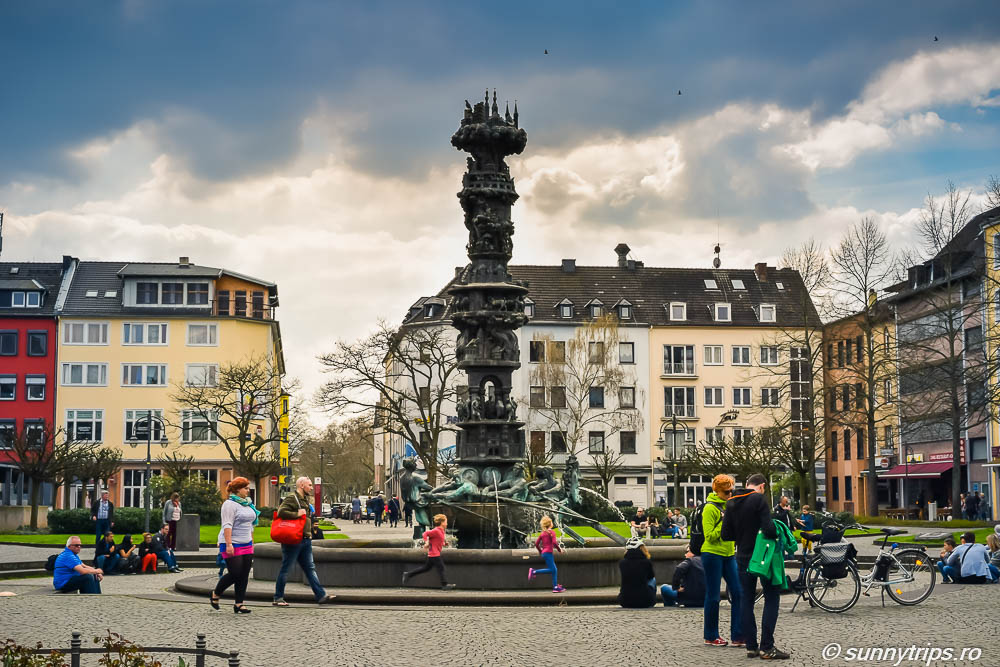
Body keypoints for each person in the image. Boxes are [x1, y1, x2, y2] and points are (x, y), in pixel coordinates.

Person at [723, 473, 786, 659]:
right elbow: (768, 528)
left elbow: (726, 535)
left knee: (746, 601)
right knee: (772, 596)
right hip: (763, 557)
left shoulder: (732, 502)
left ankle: (751, 646)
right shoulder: (759, 499)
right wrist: (777, 531)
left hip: (742, 557)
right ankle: (767, 646)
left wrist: (743, 536)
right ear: (762, 486)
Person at [273, 477, 337, 607]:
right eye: (309, 485)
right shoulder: (292, 498)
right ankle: (278, 597)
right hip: (294, 539)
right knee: (286, 568)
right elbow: (281, 512)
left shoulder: (305, 500)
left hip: (305, 539)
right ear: (302, 485)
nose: (312, 488)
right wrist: (297, 513)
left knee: (309, 568)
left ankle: (321, 595)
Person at [701, 474, 742, 648]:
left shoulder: (730, 506)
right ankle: (710, 635)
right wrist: (724, 521)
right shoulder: (709, 508)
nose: (730, 494)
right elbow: (709, 536)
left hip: (728, 554)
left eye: (731, 491)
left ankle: (738, 635)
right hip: (712, 554)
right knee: (713, 596)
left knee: (738, 593)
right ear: (717, 491)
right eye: (726, 492)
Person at [212, 477, 259, 613]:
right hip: (232, 542)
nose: (248, 490)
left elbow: (251, 524)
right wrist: (228, 544)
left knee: (244, 574)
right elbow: (227, 524)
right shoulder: (229, 504)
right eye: (246, 488)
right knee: (235, 573)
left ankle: (239, 603)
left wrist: (252, 541)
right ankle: (216, 593)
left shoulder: (248, 504)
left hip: (246, 542)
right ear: (238, 490)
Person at [402, 514, 456, 590]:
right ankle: (445, 585)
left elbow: (437, 541)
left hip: (433, 554)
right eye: (446, 522)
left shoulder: (441, 531)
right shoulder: (436, 530)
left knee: (426, 568)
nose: (447, 523)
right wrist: (426, 542)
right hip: (435, 554)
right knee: (441, 568)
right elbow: (425, 533)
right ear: (442, 522)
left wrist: (444, 544)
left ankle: (408, 574)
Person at [660, 543, 705, 607]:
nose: (685, 554)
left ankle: (670, 606)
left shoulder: (689, 561)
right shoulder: (707, 561)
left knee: (664, 588)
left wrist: (676, 587)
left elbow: (679, 568)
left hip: (690, 598)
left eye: (687, 552)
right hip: (706, 598)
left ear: (693, 552)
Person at [528, 516, 564, 592]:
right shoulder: (552, 532)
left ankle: (555, 587)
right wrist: (559, 549)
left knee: (554, 570)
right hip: (548, 553)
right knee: (552, 569)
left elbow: (536, 544)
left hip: (545, 553)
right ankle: (534, 571)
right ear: (550, 524)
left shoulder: (542, 533)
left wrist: (541, 551)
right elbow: (554, 542)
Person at [618, 537, 656, 608]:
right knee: (653, 580)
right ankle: (652, 599)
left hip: (625, 601)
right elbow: (651, 576)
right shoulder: (646, 562)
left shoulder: (622, 563)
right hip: (645, 601)